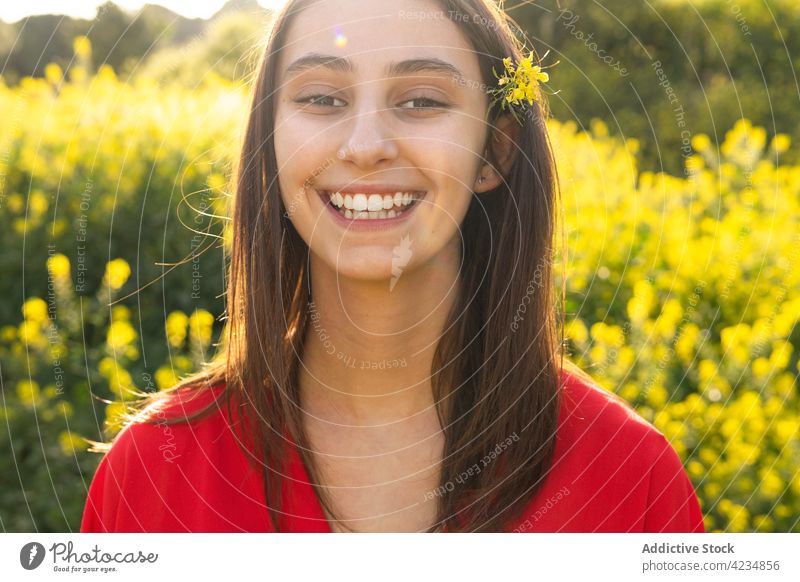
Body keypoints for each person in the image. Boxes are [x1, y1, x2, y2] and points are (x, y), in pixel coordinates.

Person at [81, 0, 704, 533]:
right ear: (272, 144)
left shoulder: (632, 476)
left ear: (495, 148)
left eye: (422, 101)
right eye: (322, 98)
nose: (366, 146)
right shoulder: (150, 472)